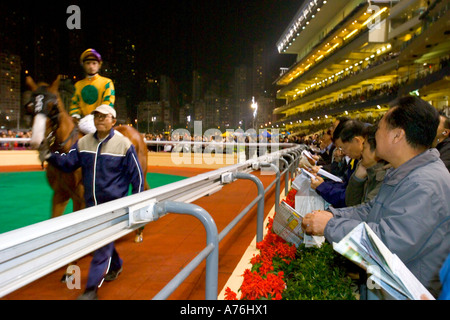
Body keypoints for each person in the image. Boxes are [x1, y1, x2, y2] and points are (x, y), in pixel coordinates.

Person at [302, 96, 450, 298]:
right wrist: (331, 215)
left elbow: (389, 243)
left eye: (379, 128)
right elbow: (371, 209)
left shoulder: (425, 184)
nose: (373, 134)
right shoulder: (406, 173)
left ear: (397, 136)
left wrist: (330, 225)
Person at [40, 104, 144, 300]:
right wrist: (49, 156)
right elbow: (68, 163)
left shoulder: (124, 145)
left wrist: (137, 203)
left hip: (114, 206)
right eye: (96, 116)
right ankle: (116, 265)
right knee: (102, 242)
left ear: (113, 121)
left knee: (101, 246)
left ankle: (91, 290)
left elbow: (136, 176)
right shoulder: (83, 143)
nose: (100, 119)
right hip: (91, 205)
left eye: (104, 117)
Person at [310, 119, 366, 208]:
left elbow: (351, 199)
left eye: (343, 148)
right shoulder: (356, 159)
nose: (342, 151)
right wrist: (323, 185)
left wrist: (323, 187)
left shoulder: (369, 163)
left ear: (357, 141)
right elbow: (346, 186)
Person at [70, 49, 116, 134]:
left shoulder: (107, 82)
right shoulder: (78, 85)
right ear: (83, 65)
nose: (91, 66)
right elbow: (74, 104)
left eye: (94, 63)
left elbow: (108, 102)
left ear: (99, 65)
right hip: (83, 121)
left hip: (102, 120)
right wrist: (75, 115)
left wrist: (96, 115)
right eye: (88, 63)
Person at [344, 124, 387, 206]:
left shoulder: (385, 177)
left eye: (364, 147)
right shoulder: (370, 171)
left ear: (377, 149)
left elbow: (366, 212)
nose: (361, 151)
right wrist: (357, 179)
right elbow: (351, 204)